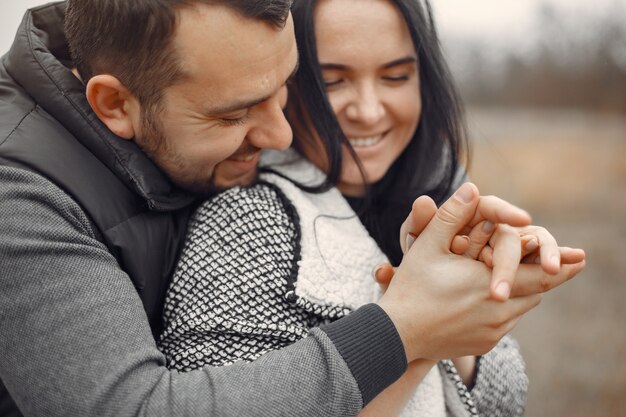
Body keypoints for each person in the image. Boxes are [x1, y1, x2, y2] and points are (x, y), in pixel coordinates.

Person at [0, 1, 584, 417]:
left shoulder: (414, 185)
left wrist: (459, 307)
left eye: (286, 87)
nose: (280, 135)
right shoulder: (21, 197)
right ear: (114, 104)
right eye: (235, 113)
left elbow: (504, 395)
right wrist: (409, 328)